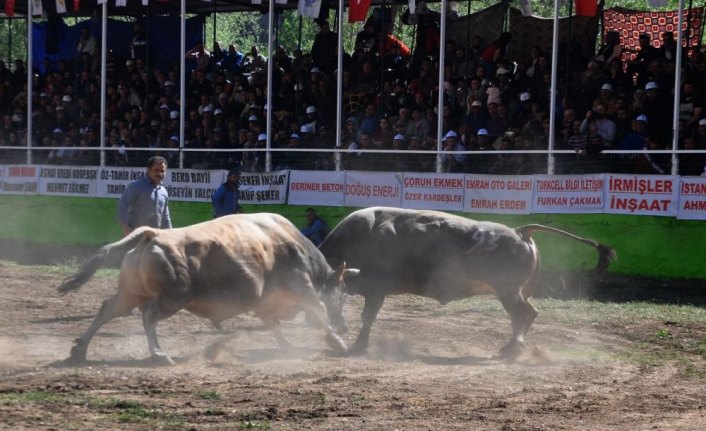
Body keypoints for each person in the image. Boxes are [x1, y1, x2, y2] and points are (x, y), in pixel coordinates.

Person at [116, 155, 171, 237]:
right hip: (134, 234)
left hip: (154, 236)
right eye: (156, 170)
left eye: (162, 171)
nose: (159, 173)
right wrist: (125, 227)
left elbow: (165, 215)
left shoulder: (163, 192)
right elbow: (123, 205)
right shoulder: (136, 186)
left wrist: (170, 233)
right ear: (148, 170)